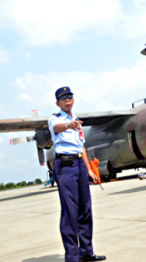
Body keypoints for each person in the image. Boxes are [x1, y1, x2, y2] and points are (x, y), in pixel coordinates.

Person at [48, 86, 106, 262]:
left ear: (73, 100)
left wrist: (89, 169)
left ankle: (86, 252)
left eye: (70, 97)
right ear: (57, 102)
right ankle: (72, 257)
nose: (67, 100)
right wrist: (68, 125)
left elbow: (82, 146)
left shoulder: (77, 121)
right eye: (63, 98)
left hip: (80, 164)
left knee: (85, 209)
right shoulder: (55, 119)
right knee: (70, 211)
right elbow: (57, 128)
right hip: (65, 165)